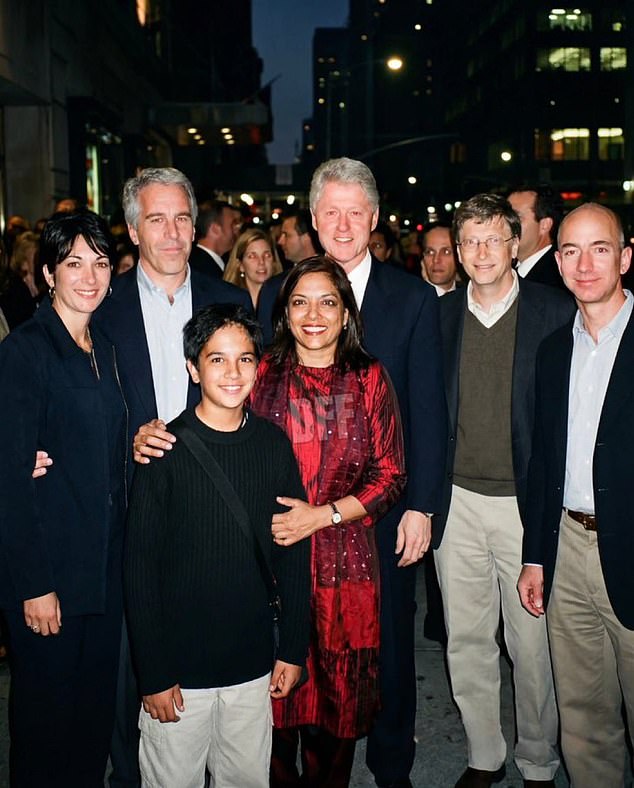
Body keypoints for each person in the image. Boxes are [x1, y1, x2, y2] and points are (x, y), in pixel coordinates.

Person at [256, 157, 447, 788]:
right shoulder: (276, 295)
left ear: (372, 218)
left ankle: (392, 769)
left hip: (377, 518)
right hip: (289, 515)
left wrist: (421, 506)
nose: (341, 223)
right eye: (329, 211)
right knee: (295, 652)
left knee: (386, 652)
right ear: (313, 219)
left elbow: (427, 410)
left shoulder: (413, 297)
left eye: (354, 211)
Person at [125, 303, 310, 788]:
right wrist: (154, 674)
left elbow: (292, 554)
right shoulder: (165, 449)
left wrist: (292, 648)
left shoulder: (273, 445)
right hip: (179, 674)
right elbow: (139, 568)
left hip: (252, 667)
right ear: (193, 367)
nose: (233, 373)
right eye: (217, 359)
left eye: (245, 359)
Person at [434, 194, 574, 788]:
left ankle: (539, 759)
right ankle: (483, 755)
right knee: (466, 641)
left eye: (493, 239)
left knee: (533, 644)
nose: (482, 252)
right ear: (458, 251)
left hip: (526, 503)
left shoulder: (554, 311)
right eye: (470, 241)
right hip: (457, 502)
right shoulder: (438, 317)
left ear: (516, 245)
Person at [249, 256, 406, 787]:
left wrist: (323, 515)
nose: (313, 314)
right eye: (299, 301)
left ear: (346, 315)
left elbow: (390, 475)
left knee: (334, 718)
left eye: (327, 302)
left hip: (345, 565)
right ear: (283, 313)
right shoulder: (260, 374)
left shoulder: (369, 378)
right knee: (269, 715)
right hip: (269, 559)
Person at [0, 210, 127, 787]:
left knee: (90, 725)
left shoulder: (105, 346)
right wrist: (33, 584)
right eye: (73, 263)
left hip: (102, 572)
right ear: (48, 272)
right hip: (50, 575)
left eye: (99, 263)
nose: (88, 276)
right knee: (44, 729)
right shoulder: (26, 352)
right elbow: (9, 478)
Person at [518, 203, 634, 788]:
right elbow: (543, 463)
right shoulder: (552, 351)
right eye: (569, 250)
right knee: (585, 724)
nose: (584, 264)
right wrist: (536, 555)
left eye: (600, 249)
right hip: (568, 550)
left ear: (626, 257)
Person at [507, 185, 567, 290]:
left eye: (516, 218)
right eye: (505, 218)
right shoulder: (507, 272)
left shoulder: (558, 280)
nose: (506, 225)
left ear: (545, 225)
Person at [223, 227, 282, 308]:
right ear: (240, 265)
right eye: (252, 256)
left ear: (274, 261)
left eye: (267, 255)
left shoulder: (285, 300)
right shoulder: (228, 303)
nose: (261, 262)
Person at [189, 199, 242, 278]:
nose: (237, 229)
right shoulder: (203, 271)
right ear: (215, 229)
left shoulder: (200, 263)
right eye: (233, 224)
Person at [420, 222, 461, 295]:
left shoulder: (470, 297)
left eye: (446, 252)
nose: (436, 260)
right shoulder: (407, 300)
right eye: (430, 252)